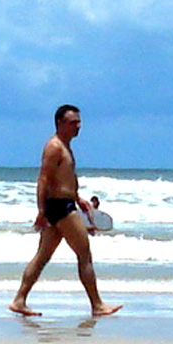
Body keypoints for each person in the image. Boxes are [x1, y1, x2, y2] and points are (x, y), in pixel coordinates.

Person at [10, 104, 122, 317]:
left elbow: (63, 179)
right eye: (73, 122)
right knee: (84, 253)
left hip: (64, 204)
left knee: (42, 256)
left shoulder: (65, 145)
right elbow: (44, 179)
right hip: (59, 208)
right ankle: (97, 305)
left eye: (79, 122)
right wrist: (41, 211)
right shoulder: (54, 146)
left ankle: (19, 300)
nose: (78, 126)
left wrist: (77, 197)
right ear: (60, 123)